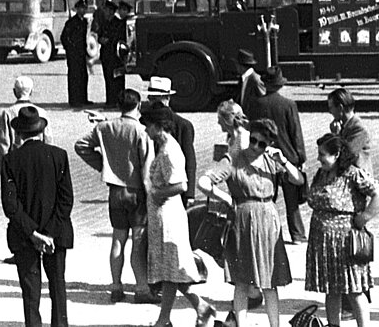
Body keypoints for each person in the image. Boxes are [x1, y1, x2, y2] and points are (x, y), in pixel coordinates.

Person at [198, 118, 303, 327]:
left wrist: (283, 160)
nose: (255, 146)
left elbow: (298, 179)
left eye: (262, 143)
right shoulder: (233, 160)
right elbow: (203, 182)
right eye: (253, 140)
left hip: (268, 223)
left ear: (269, 145)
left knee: (270, 280)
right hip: (244, 221)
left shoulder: (270, 161)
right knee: (242, 281)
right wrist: (226, 198)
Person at [74, 87, 154, 303]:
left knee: (118, 239)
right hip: (136, 191)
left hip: (115, 191)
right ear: (138, 106)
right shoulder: (141, 131)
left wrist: (102, 166)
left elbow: (81, 145)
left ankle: (116, 286)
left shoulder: (105, 127)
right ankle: (141, 289)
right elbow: (147, 167)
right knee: (138, 241)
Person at [140, 102, 217, 327]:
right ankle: (197, 308)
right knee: (171, 267)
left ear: (159, 126)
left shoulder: (169, 151)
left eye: (149, 126)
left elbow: (181, 184)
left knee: (171, 268)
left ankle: (165, 319)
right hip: (162, 215)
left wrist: (156, 193)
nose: (146, 130)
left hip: (168, 216)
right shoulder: (164, 146)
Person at [1, 106, 75, 327]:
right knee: (58, 287)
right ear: (41, 131)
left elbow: (11, 205)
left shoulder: (10, 160)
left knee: (30, 292)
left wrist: (33, 233)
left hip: (25, 235)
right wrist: (49, 233)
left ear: (19, 133)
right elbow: (66, 199)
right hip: (56, 232)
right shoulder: (59, 156)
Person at [305, 133, 379, 327]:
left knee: (354, 288)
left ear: (337, 155)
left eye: (322, 154)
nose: (318, 158)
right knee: (331, 288)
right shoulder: (321, 174)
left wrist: (364, 217)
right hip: (322, 241)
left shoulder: (352, 174)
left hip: (345, 242)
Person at [242, 67, 307, 244]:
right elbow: (296, 133)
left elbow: (250, 130)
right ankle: (297, 234)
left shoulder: (255, 104)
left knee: (267, 198)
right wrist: (300, 157)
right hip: (286, 157)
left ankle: (265, 232)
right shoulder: (288, 104)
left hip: (263, 156)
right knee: (292, 201)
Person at [146, 76, 197, 206]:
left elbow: (190, 161)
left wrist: (190, 194)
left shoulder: (183, 125)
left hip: (173, 188)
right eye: (152, 98)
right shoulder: (143, 124)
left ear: (167, 99)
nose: (155, 103)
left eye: (159, 98)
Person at [0, 75, 52, 167]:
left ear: (15, 92)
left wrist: (3, 166)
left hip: (16, 162)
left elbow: (4, 143)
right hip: (38, 160)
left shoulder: (7, 113)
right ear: (31, 92)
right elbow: (48, 139)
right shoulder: (42, 112)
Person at [326, 88, 373, 175]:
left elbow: (344, 157)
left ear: (340, 108)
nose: (330, 112)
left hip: (359, 181)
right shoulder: (344, 126)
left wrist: (336, 136)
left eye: (331, 108)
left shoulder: (359, 129)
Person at [94, 0, 127, 107]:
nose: (106, 12)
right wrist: (100, 40)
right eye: (105, 10)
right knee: (108, 78)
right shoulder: (104, 23)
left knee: (117, 79)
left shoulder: (118, 24)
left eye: (108, 10)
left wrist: (108, 41)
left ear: (112, 11)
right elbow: (99, 35)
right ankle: (110, 100)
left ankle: (118, 101)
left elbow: (119, 39)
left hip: (115, 56)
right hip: (106, 55)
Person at [60, 0, 91, 107]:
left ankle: (83, 98)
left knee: (83, 76)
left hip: (82, 54)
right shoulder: (71, 22)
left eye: (85, 8)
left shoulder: (84, 22)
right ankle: (74, 100)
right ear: (77, 9)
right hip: (73, 55)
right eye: (81, 8)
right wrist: (71, 50)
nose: (83, 10)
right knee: (74, 77)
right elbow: (64, 38)